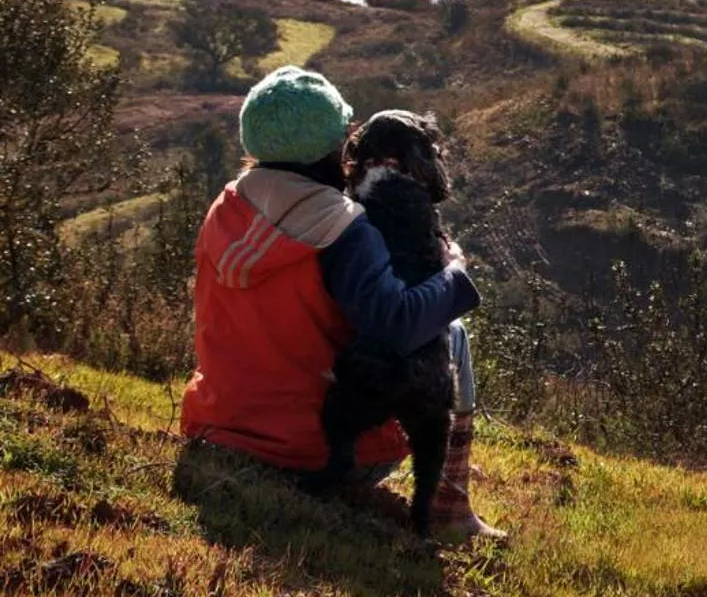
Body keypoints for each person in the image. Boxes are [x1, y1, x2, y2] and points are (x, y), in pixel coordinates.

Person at [178, 65, 502, 540]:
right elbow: (397, 324)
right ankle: (449, 506)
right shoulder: (345, 228)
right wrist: (456, 272)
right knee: (450, 332)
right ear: (333, 146)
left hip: (217, 426)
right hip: (313, 448)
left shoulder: (226, 207)